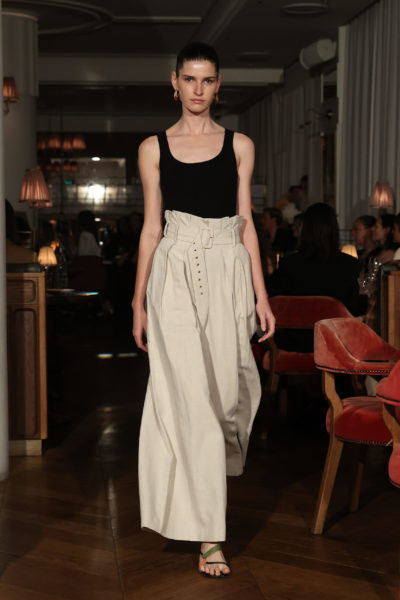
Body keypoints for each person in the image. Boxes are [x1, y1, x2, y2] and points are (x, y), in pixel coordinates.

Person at [132, 42, 275, 579]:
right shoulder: (153, 148)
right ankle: (211, 536)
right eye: (189, 79)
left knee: (222, 399)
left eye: (207, 80)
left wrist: (261, 295)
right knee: (186, 396)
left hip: (226, 268)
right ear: (174, 82)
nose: (197, 89)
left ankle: (206, 500)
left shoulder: (240, 145)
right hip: (172, 272)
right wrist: (137, 299)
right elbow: (150, 229)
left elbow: (246, 225)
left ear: (219, 85)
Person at [268, 202, 360, 351]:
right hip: (336, 344)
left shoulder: (289, 264)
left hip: (293, 344)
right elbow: (353, 308)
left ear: (305, 230)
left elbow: (273, 301)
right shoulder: (350, 265)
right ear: (334, 229)